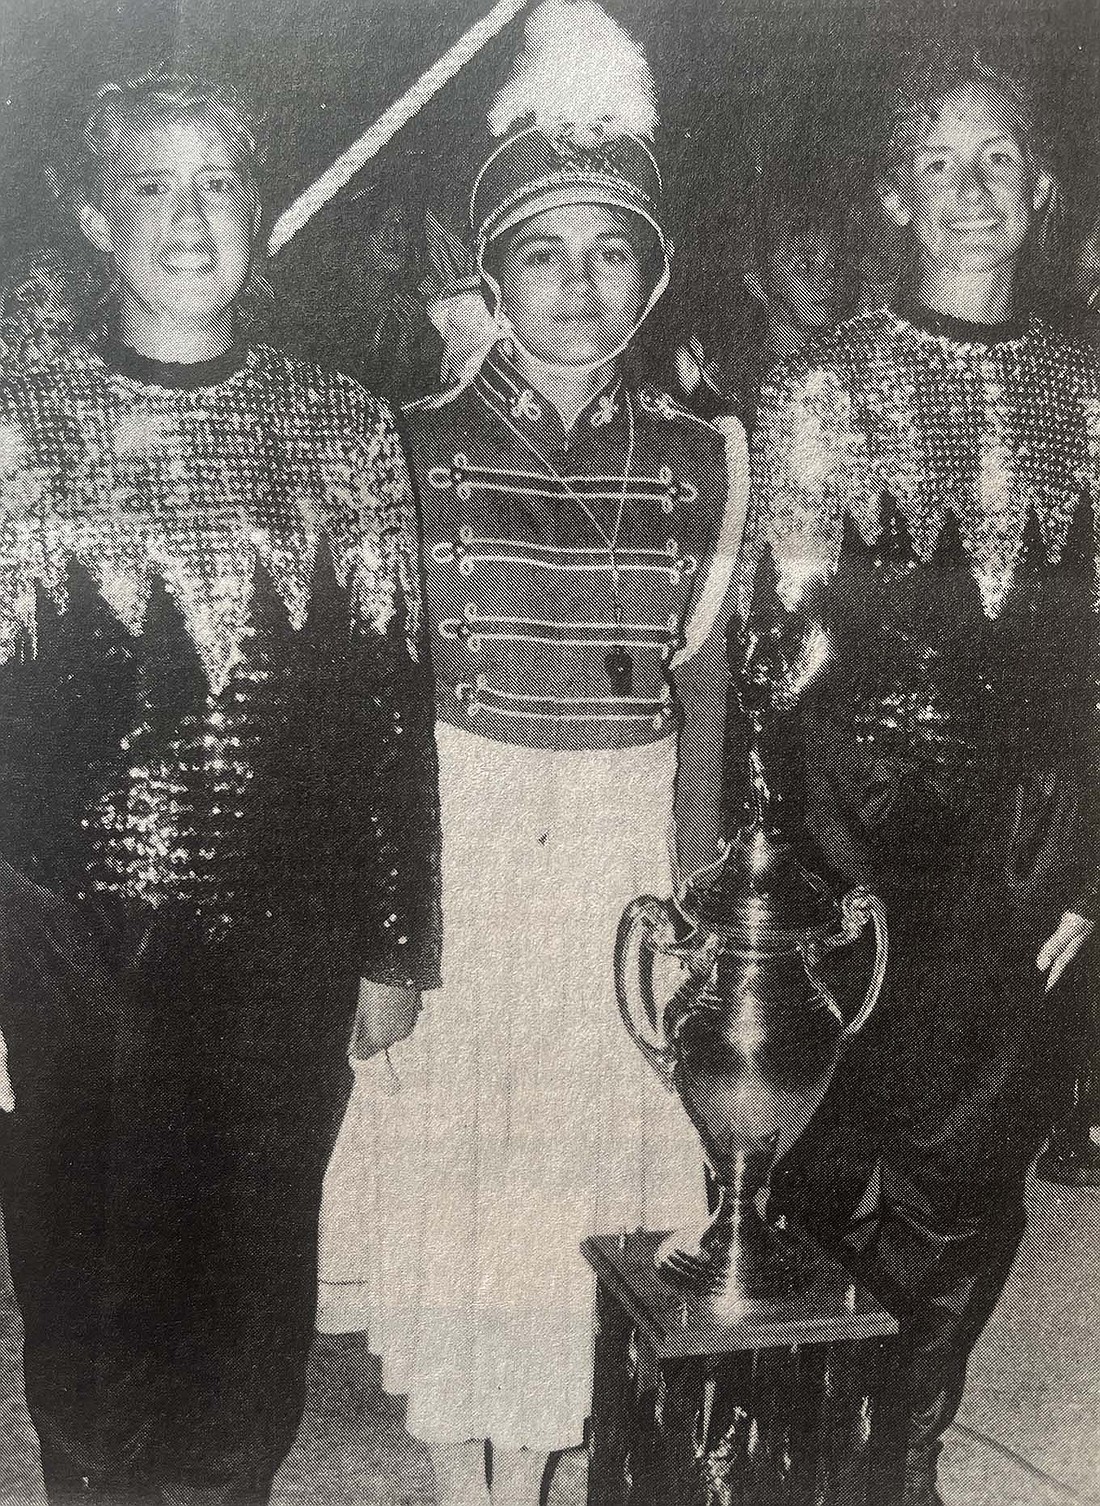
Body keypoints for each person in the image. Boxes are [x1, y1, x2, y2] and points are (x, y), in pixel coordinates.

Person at [316, 5, 748, 1503]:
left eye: (610, 251)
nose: (578, 285)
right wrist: (385, 924)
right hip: (468, 849)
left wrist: (699, 918)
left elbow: (706, 719)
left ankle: (559, 1466)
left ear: (655, 273)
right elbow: (371, 719)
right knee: (471, 1171)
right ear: (491, 277)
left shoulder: (706, 460)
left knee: (591, 1173)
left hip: (621, 866)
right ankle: (466, 1480)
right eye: (544, 253)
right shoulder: (408, 447)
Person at [0, 70, 441, 1506]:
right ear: (90, 211)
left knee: (248, 1312)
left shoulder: (343, 431)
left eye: (218, 184)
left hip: (279, 955)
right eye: (150, 184)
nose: (189, 218)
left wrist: (394, 941)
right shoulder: (23, 431)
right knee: (85, 1304)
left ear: (258, 208)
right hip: (66, 954)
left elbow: (392, 703)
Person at [742, 44, 1098, 1506]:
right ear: (896, 193)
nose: (972, 190)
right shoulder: (823, 389)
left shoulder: (1089, 399)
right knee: (816, 1168)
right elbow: (780, 659)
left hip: (1030, 857)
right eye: (939, 162)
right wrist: (791, 878)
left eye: (999, 157)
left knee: (966, 1186)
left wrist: (1089, 866)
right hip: (851, 847)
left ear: (1045, 186)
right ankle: (795, 1450)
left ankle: (904, 1454)